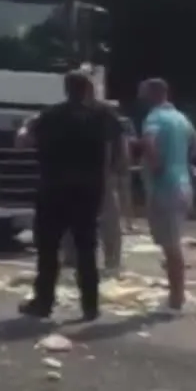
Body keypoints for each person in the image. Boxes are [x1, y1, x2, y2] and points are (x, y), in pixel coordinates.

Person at [14, 70, 120, 321]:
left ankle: (44, 302)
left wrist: (26, 125)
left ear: (66, 89)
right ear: (87, 89)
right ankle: (90, 306)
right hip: (89, 191)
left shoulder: (50, 115)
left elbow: (21, 143)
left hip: (54, 190)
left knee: (48, 249)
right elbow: (120, 150)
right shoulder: (103, 116)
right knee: (87, 249)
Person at [139, 78, 196, 314]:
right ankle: (175, 295)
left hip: (165, 188)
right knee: (170, 243)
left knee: (172, 247)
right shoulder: (181, 117)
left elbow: (149, 141)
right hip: (184, 185)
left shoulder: (154, 117)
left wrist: (155, 165)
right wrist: (182, 160)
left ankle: (176, 298)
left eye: (143, 93)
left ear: (153, 93)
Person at [61, 99, 135, 276]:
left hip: (82, 177)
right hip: (101, 177)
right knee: (108, 221)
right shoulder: (114, 125)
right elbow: (123, 154)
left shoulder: (79, 123)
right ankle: (111, 261)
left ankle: (74, 259)